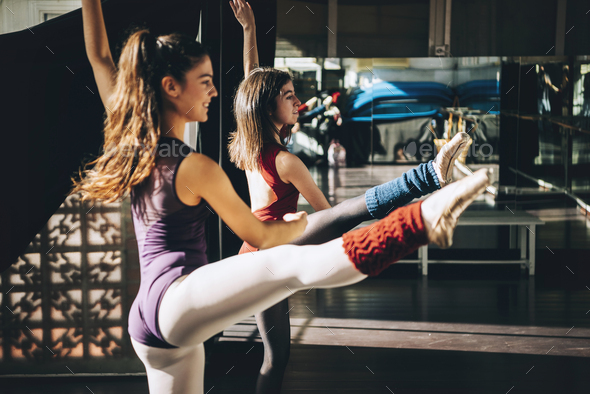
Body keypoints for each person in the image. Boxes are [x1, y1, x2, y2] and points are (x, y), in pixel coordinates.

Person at [74, 1, 489, 392]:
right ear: (171, 88)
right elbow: (260, 235)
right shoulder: (196, 167)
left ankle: (424, 194)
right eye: (204, 82)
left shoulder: (136, 142)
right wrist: (296, 225)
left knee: (285, 288)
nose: (214, 92)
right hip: (173, 302)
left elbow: (99, 58)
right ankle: (422, 219)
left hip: (153, 330)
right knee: (290, 265)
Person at [229, 1, 471, 392]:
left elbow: (251, 81)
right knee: (347, 212)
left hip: (253, 256)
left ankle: (426, 184)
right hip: (273, 249)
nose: (297, 102)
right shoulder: (287, 161)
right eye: (289, 96)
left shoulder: (250, 146)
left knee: (276, 359)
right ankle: (427, 175)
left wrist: (249, 30)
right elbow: (331, 215)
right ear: (268, 105)